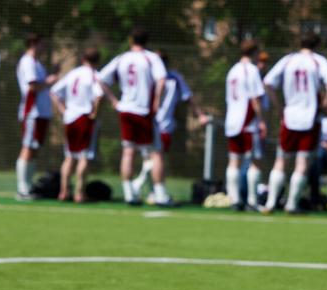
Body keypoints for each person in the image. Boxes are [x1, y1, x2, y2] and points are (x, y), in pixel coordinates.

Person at [261, 31, 327, 214]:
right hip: (310, 117)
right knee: (302, 162)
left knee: (281, 160)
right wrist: (326, 102)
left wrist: (279, 106)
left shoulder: (288, 60)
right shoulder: (318, 61)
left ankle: (271, 203)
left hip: (290, 116)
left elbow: (268, 82)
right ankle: (291, 204)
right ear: (317, 45)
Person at [98, 27, 169, 206]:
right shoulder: (151, 58)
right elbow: (161, 80)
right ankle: (160, 194)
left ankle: (130, 193)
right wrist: (157, 102)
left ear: (131, 40)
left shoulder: (122, 58)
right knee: (155, 153)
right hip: (143, 110)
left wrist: (114, 101)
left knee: (128, 152)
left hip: (126, 110)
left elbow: (100, 78)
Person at [131, 50, 208, 201]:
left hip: (158, 124)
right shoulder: (164, 77)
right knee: (154, 160)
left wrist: (200, 114)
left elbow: (188, 97)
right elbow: (189, 98)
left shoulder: (171, 78)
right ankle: (140, 187)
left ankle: (151, 192)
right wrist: (199, 115)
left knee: (150, 160)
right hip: (155, 123)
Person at [49, 48, 103, 203]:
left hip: (70, 118)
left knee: (69, 157)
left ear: (82, 59)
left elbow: (53, 92)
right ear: (97, 61)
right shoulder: (94, 76)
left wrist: (63, 110)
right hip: (84, 118)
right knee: (84, 157)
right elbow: (99, 95)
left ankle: (63, 192)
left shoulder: (73, 74)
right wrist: (95, 113)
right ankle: (80, 193)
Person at [15, 33, 59, 201]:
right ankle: (22, 188)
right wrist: (51, 80)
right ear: (33, 44)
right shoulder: (27, 62)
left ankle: (28, 184)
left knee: (34, 149)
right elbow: (33, 86)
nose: (44, 48)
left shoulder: (37, 63)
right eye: (41, 44)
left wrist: (52, 75)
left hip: (41, 113)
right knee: (27, 148)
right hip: (32, 112)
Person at [224, 40, 267, 210]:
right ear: (255, 52)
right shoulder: (252, 70)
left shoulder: (232, 70)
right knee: (256, 161)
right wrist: (262, 120)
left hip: (232, 120)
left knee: (234, 161)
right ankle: (252, 200)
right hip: (247, 121)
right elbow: (255, 98)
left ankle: (234, 199)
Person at [309, 110, 327, 209]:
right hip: (311, 152)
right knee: (314, 164)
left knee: (320, 158)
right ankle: (314, 198)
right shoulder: (311, 112)